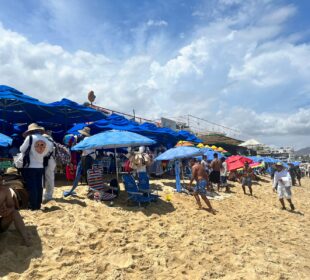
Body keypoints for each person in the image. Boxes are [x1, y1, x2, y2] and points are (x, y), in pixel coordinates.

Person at [20, 123, 52, 210]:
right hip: (40, 166)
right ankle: (38, 204)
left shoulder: (29, 138)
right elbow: (49, 150)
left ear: (30, 131)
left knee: (32, 186)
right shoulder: (46, 140)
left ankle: (33, 206)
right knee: (39, 185)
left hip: (30, 166)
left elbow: (22, 149)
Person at [0, 175, 30, 246]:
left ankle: (26, 239)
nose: (1, 182)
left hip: (2, 224)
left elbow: (12, 207)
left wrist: (8, 210)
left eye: (1, 180)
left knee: (15, 213)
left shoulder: (5, 191)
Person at [43, 131, 57, 203]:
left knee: (48, 179)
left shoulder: (46, 140)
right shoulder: (52, 141)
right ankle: (48, 195)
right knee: (50, 178)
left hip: (48, 161)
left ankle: (48, 195)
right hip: (52, 161)